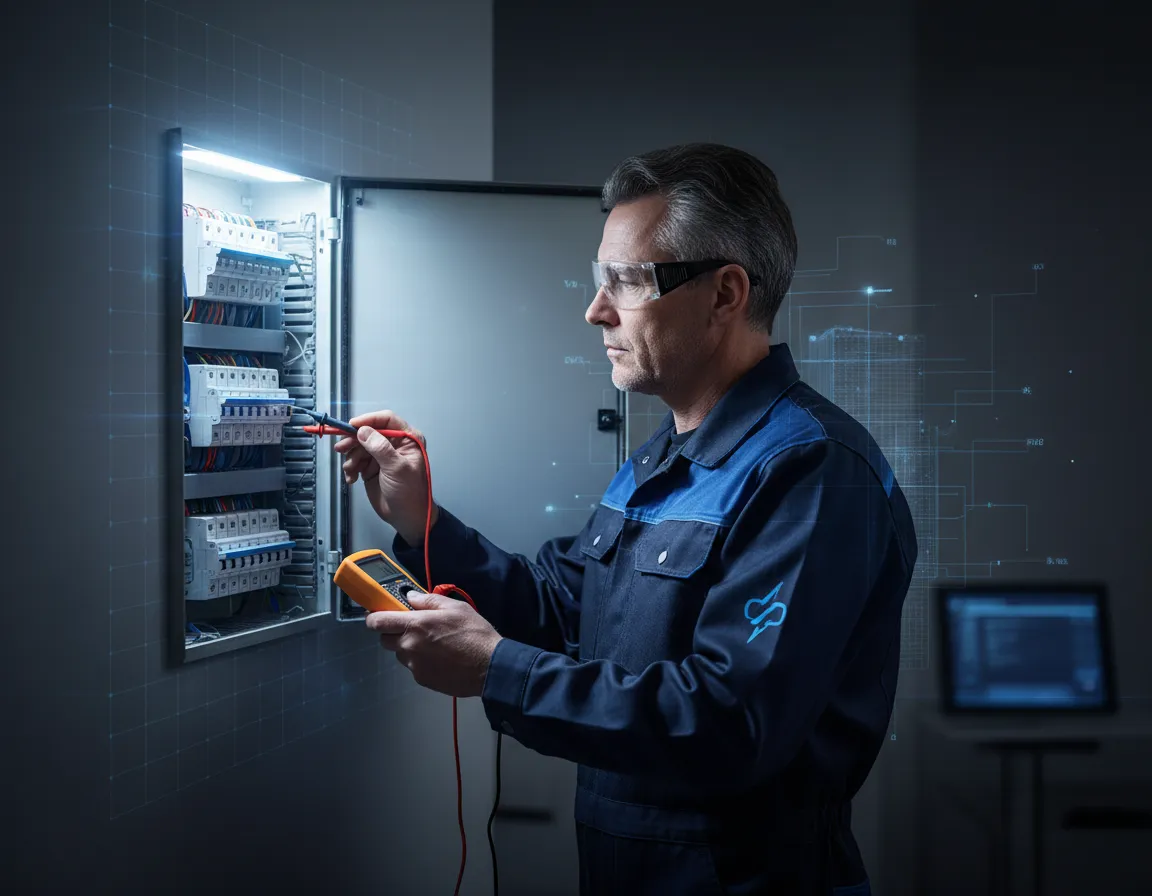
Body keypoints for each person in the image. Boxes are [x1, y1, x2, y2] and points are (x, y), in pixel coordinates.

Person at [333, 143, 918, 895]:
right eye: (596, 278)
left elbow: (730, 722)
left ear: (725, 293)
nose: (595, 309)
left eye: (626, 281)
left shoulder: (812, 471)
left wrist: (499, 671)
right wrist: (423, 523)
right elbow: (562, 610)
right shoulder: (662, 459)